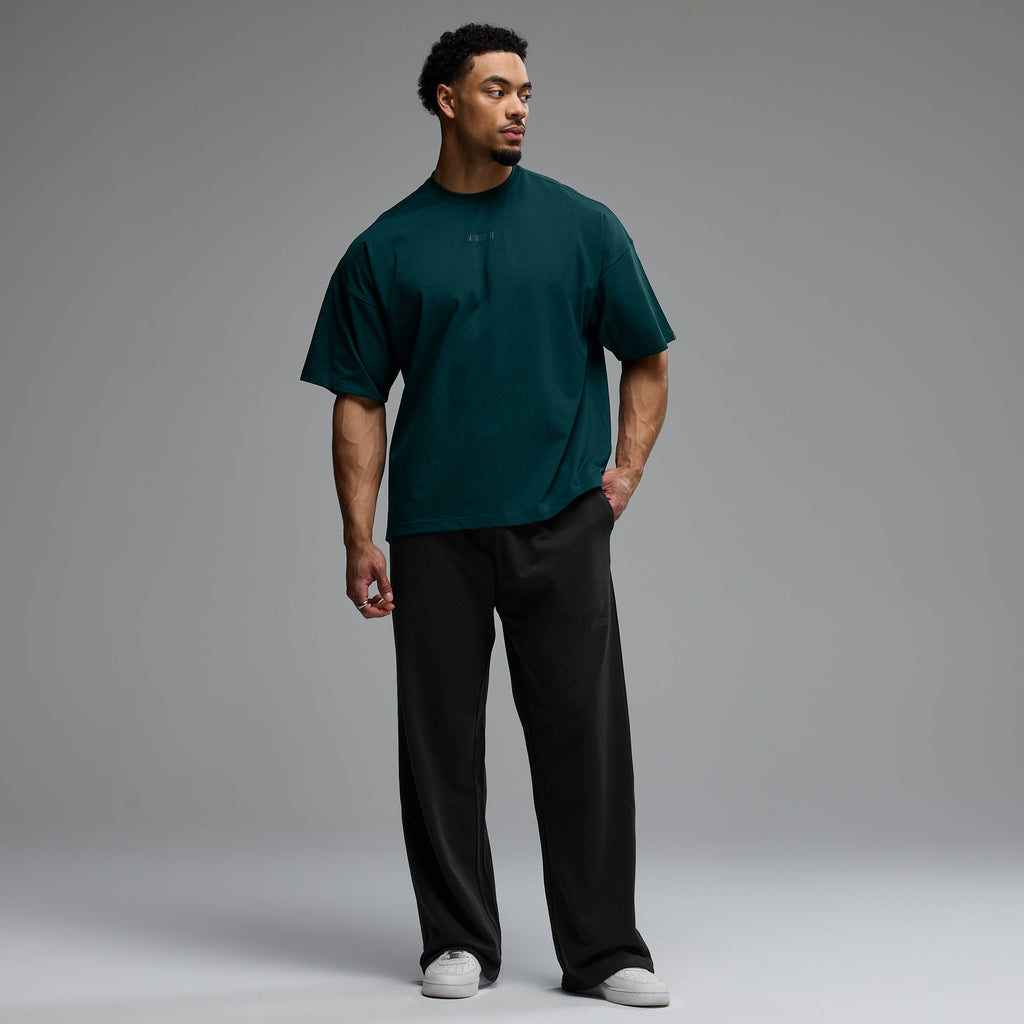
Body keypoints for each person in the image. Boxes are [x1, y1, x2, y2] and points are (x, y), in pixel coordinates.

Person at [300, 23, 673, 1008]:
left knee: (584, 737)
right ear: (447, 100)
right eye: (498, 89)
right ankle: (458, 939)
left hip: (562, 517)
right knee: (440, 744)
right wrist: (358, 534)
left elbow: (647, 355)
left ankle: (604, 950)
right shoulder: (385, 247)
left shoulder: (583, 226)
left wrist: (624, 474)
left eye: (526, 92)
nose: (518, 108)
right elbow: (357, 397)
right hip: (435, 528)